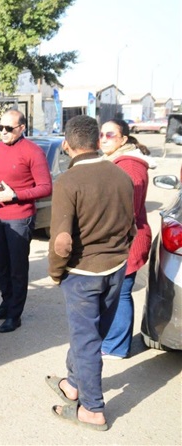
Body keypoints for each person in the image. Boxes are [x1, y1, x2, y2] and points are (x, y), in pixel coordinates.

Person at [47, 114, 135, 431]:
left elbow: (61, 242)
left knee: (86, 342)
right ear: (98, 141)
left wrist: (56, 273)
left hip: (83, 273)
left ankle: (93, 409)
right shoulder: (121, 176)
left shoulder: (67, 182)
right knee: (91, 335)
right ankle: (74, 384)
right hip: (116, 268)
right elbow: (131, 226)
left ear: (66, 145)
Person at [0, 109, 52, 333]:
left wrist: (16, 196)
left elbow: (45, 187)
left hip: (21, 217)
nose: (3, 132)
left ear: (21, 128)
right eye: (0, 127)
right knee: (2, 264)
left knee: (17, 268)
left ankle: (14, 315)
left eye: (8, 128)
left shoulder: (33, 151)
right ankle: (5, 304)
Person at [99, 119, 155, 360]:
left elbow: (127, 211)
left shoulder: (130, 165)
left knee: (120, 293)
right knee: (115, 293)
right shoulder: (117, 161)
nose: (103, 139)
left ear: (123, 139)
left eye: (110, 135)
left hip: (128, 240)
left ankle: (116, 346)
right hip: (122, 239)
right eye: (101, 134)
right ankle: (113, 341)